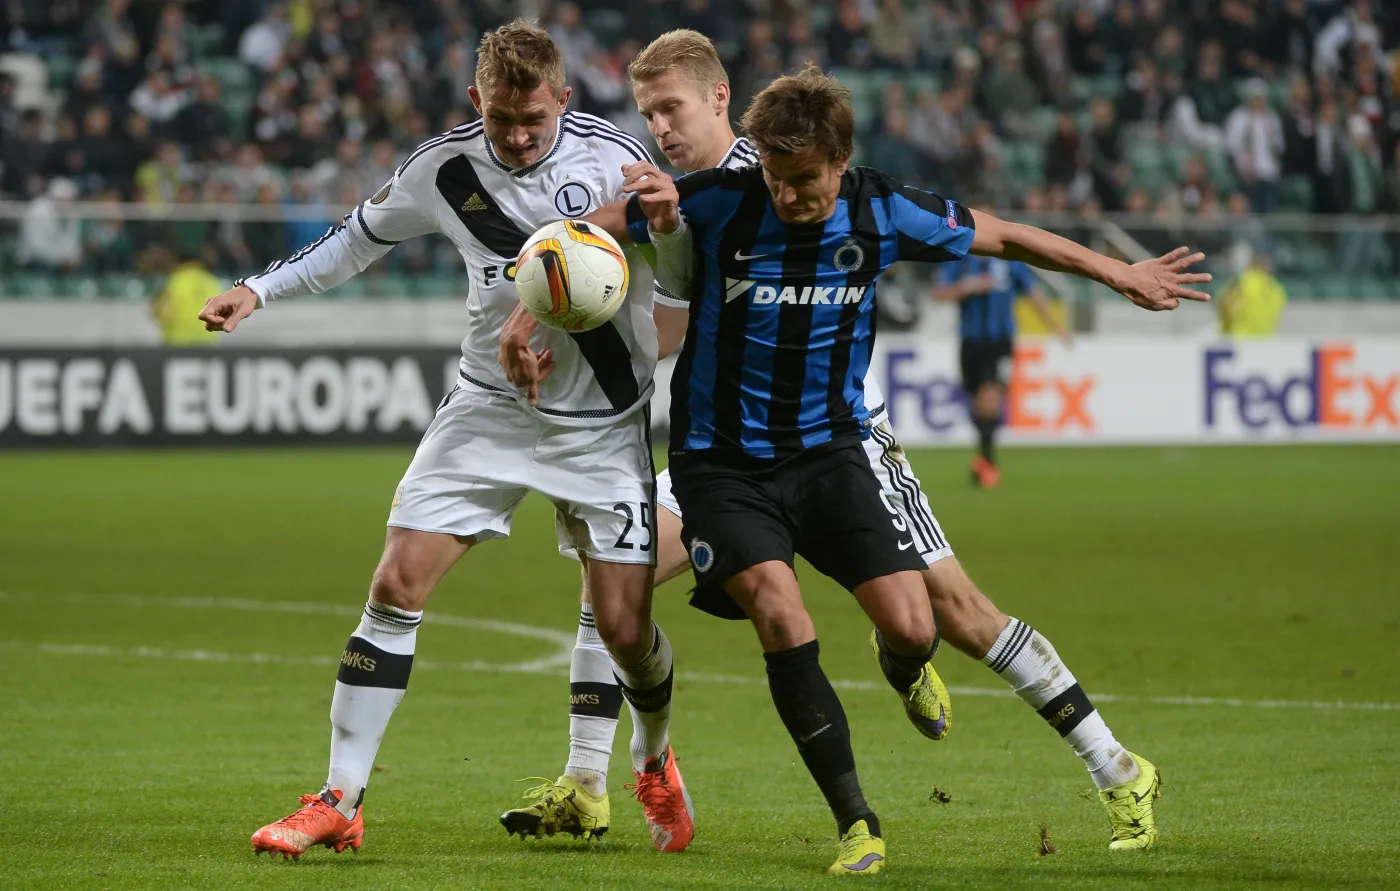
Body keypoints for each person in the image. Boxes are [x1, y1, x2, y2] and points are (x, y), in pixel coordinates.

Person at [577, 66, 1210, 874]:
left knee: (935, 619)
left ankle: (934, 675)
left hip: (839, 448)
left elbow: (1007, 235)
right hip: (722, 464)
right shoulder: (716, 200)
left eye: (804, 181)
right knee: (762, 606)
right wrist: (537, 294)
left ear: (839, 162)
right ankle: (856, 820)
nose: (788, 196)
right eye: (773, 177)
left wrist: (1117, 272)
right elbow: (597, 232)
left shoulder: (883, 208)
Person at [195, 21, 693, 861]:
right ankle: (339, 798)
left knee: (625, 627)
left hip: (603, 423)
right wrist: (259, 288)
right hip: (487, 410)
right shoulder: (442, 168)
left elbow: (680, 273)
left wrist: (669, 232)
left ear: (563, 100)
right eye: (503, 119)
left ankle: (651, 759)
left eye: (535, 117)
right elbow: (355, 237)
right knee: (396, 580)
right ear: (478, 102)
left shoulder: (619, 162)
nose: (520, 134)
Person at [500, 28, 951, 847]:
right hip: (719, 447)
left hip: (817, 433)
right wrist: (548, 293)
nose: (659, 129)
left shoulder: (766, 180)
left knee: (931, 614)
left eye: (670, 108)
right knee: (613, 599)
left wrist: (651, 258)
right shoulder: (686, 190)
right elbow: (638, 264)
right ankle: (608, 775)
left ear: (717, 98)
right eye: (647, 114)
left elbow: (697, 309)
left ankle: (907, 660)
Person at [929, 257, 1071, 488]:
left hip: (1001, 343)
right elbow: (938, 294)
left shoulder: (1010, 262)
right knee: (977, 404)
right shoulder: (960, 260)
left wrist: (1056, 328)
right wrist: (968, 287)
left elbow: (1033, 292)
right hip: (970, 342)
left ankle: (988, 464)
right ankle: (985, 457)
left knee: (990, 398)